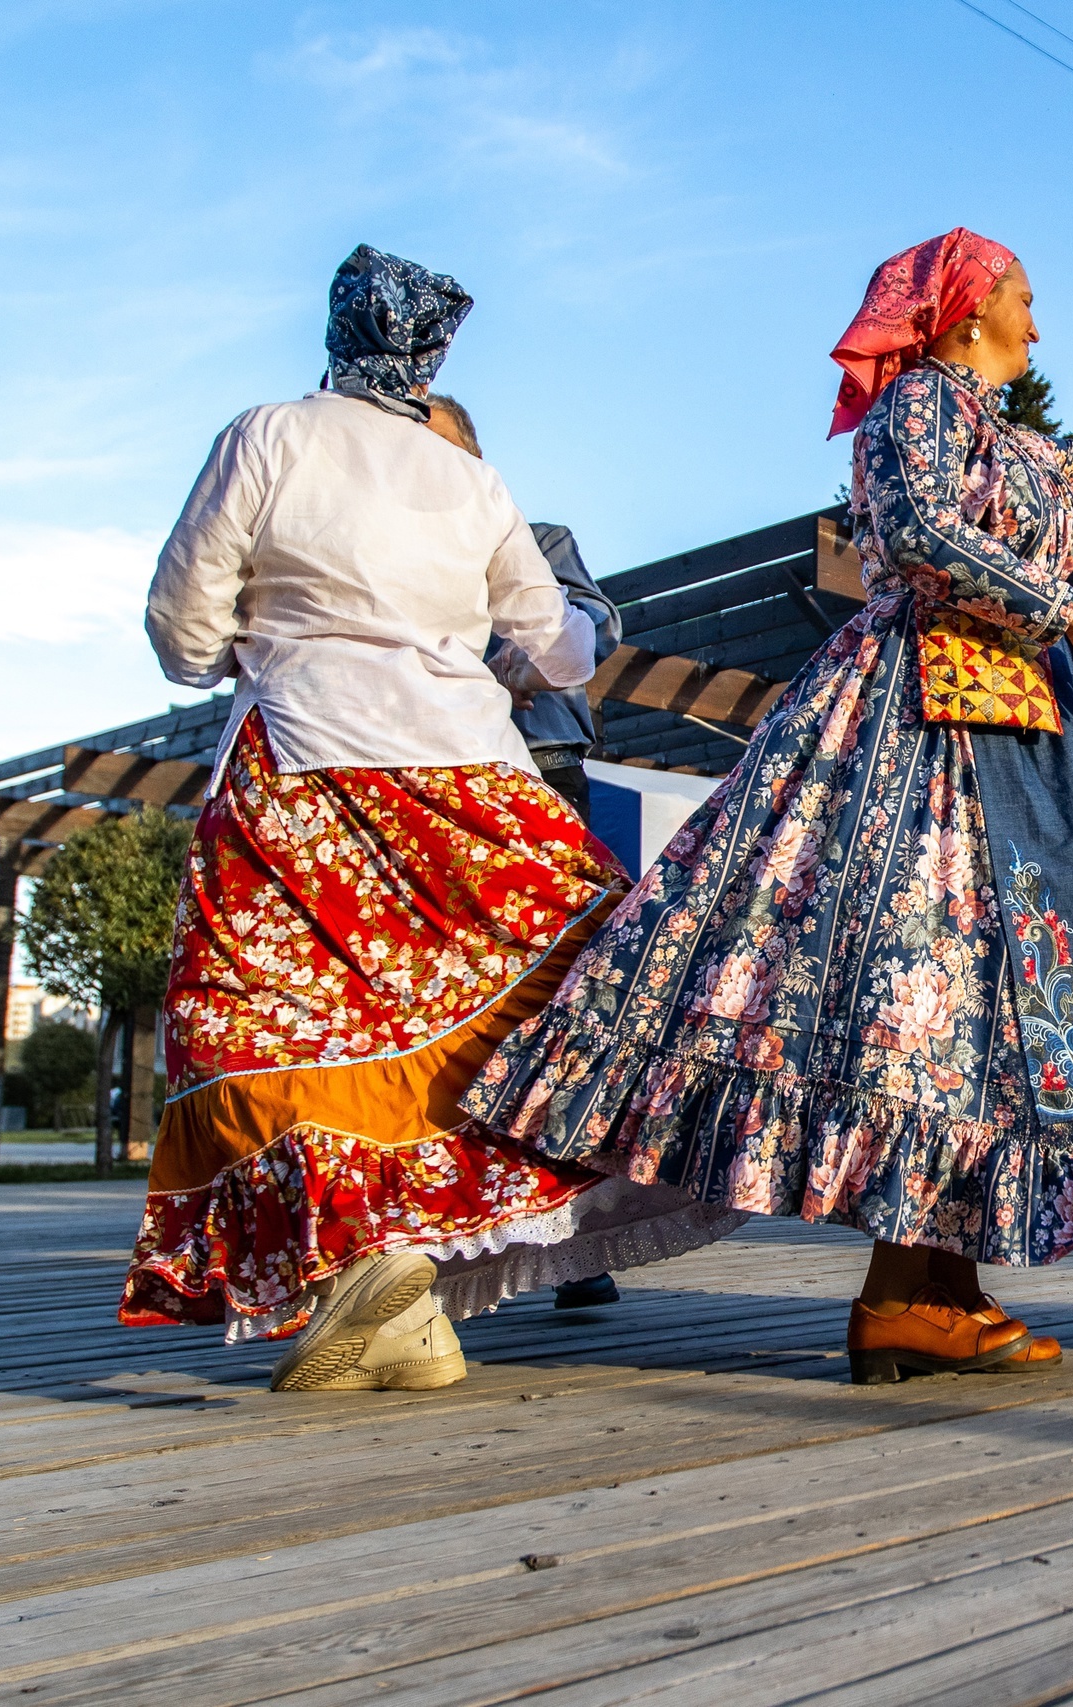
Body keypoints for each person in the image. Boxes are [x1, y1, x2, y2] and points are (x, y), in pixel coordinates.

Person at [466, 229, 1073, 1384]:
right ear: (967, 313)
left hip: (1019, 737)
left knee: (984, 1016)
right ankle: (902, 1293)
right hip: (923, 729)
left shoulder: (1010, 443)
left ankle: (936, 1290)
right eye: (1024, 299)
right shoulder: (914, 407)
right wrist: (1063, 608)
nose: (1038, 324)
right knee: (925, 991)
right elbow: (913, 535)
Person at [133, 244, 742, 1390]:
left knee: (270, 1022)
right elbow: (561, 645)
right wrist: (520, 637)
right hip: (470, 778)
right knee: (528, 998)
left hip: (304, 768)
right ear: (435, 354)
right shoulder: (474, 482)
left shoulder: (266, 435)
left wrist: (253, 645)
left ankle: (369, 1264)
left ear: (335, 333)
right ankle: (403, 1295)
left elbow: (179, 633)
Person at [425, 393, 630, 1314]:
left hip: (539, 768)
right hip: (431, 777)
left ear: (477, 462)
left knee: (553, 992)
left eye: (432, 447)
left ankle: (576, 1236)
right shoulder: (381, 548)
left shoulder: (535, 536)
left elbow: (590, 628)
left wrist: (493, 655)